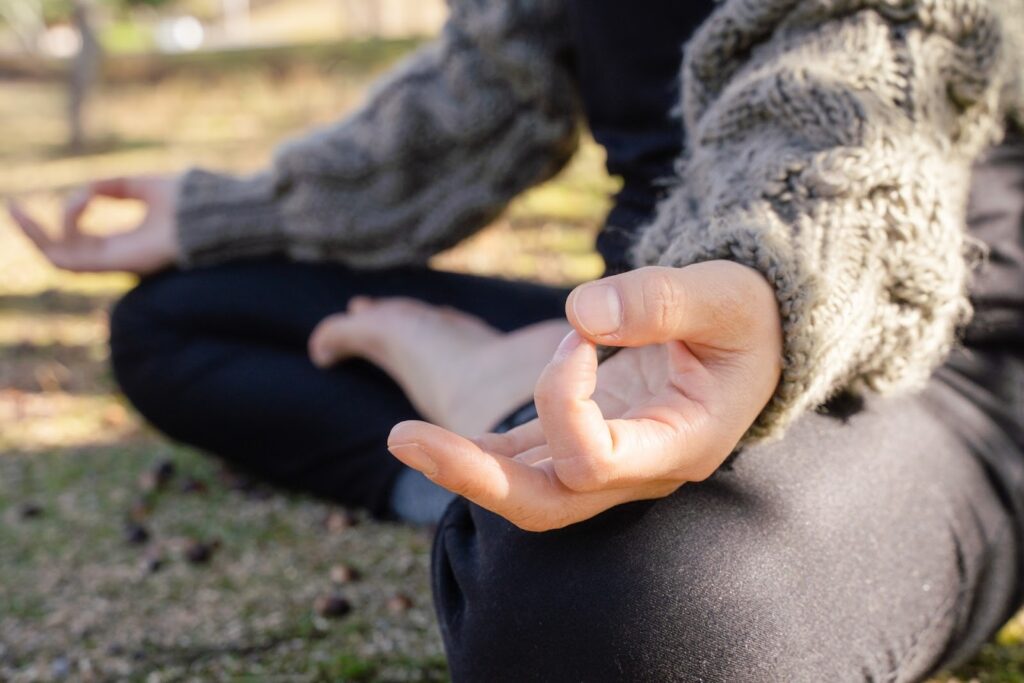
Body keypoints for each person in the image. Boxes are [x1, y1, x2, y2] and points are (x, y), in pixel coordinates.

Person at [9, 0, 1024, 679]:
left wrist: (770, 279)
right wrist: (213, 212)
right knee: (177, 316)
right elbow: (485, 83)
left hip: (920, 352)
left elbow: (869, 72)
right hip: (651, 330)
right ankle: (508, 418)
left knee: (620, 619)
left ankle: (492, 398)